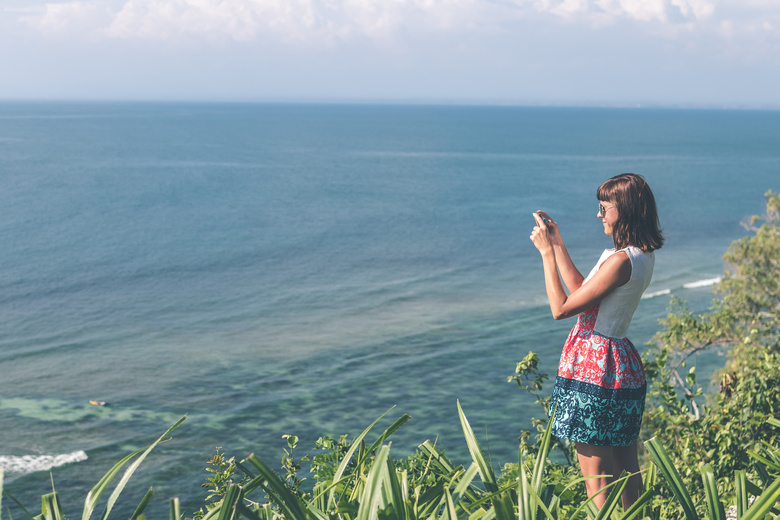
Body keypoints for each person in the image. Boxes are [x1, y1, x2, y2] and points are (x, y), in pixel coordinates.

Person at [529, 173, 664, 511]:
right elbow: (583, 293)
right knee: (627, 473)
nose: (599, 215)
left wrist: (546, 254)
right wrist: (558, 242)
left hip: (593, 368)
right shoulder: (637, 256)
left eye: (605, 208)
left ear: (626, 210)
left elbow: (561, 308)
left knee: (597, 483)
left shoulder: (619, 261)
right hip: (621, 365)